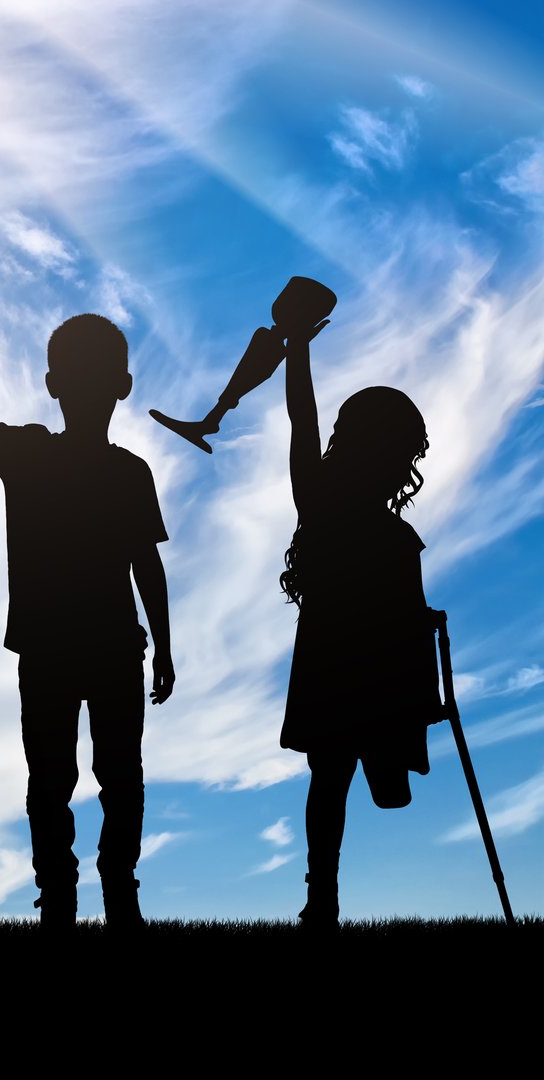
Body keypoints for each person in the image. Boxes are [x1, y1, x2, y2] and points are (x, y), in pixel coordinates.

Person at [0, 244, 174, 931]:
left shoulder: (69, 462)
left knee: (87, 779)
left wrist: (164, 647)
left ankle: (98, 897)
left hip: (94, 646)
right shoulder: (48, 456)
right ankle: (84, 898)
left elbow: (146, 564)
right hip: (84, 645)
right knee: (88, 779)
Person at [278, 315, 440, 930]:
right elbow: (303, 420)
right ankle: (322, 900)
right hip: (344, 662)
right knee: (336, 778)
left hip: (371, 665)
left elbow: (409, 610)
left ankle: (322, 897)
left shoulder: (387, 532)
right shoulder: (321, 500)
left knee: (356, 784)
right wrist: (297, 352)